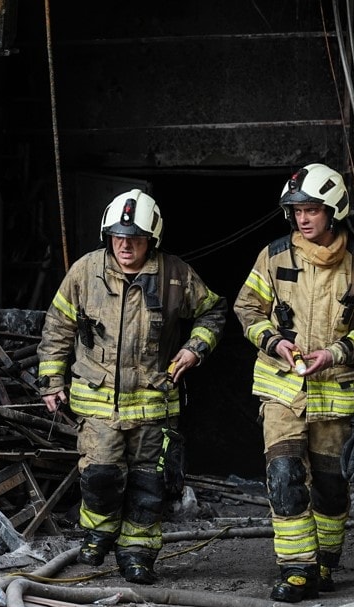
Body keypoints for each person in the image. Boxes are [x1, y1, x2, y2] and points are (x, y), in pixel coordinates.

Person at [37, 189, 226, 584]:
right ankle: (99, 533)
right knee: (100, 477)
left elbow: (213, 310)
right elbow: (58, 327)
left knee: (148, 485)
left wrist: (195, 350)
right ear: (108, 236)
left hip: (154, 405)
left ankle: (137, 554)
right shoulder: (85, 272)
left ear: (151, 239)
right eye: (119, 237)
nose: (125, 245)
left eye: (135, 238)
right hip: (99, 402)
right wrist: (51, 381)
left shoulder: (175, 275)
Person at [233, 163, 354, 602]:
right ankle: (297, 569)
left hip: (338, 395)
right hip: (283, 390)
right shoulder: (275, 255)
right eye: (296, 210)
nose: (302, 218)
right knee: (284, 476)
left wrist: (336, 352)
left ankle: (324, 564)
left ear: (334, 210)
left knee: (330, 486)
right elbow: (247, 308)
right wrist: (273, 343)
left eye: (311, 210)